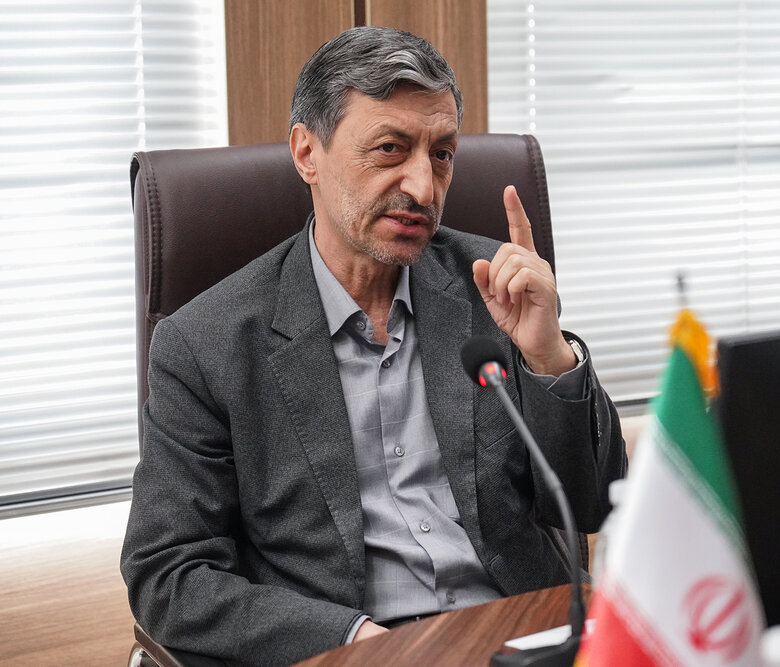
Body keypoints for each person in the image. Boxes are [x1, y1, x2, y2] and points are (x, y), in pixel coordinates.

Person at [121, 26, 626, 666]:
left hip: (521, 633)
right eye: (390, 149)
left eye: (442, 154)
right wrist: (351, 640)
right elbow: (169, 576)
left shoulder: (496, 287)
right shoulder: (206, 344)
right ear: (308, 152)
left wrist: (548, 357)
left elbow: (594, 503)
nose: (424, 187)